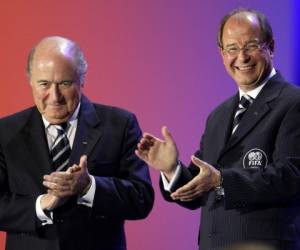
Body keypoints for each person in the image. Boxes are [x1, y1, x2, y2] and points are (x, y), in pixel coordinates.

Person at [136, 8, 300, 250]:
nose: (242, 57)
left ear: (271, 47)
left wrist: (221, 181)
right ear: (222, 54)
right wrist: (172, 169)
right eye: (232, 48)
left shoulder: (293, 102)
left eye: (251, 46)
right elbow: (201, 187)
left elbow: (291, 177)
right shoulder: (219, 115)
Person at [0, 36, 154, 250]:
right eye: (44, 84)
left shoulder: (120, 125)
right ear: (30, 81)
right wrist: (41, 205)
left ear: (82, 80)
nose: (54, 97)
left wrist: (89, 186)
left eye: (64, 83)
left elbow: (141, 199)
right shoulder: (5, 132)